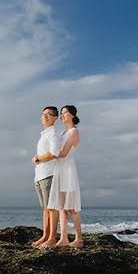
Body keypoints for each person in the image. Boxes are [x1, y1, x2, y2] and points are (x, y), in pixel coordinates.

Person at [46, 105, 83, 248]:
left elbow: (63, 153)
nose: (61, 115)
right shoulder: (62, 133)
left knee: (72, 207)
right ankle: (64, 238)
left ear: (72, 115)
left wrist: (45, 157)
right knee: (61, 206)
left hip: (68, 170)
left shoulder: (74, 132)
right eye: (60, 113)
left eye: (64, 113)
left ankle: (79, 239)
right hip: (59, 170)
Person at [32, 106, 62, 248]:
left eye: (48, 114)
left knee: (52, 208)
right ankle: (45, 235)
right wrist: (37, 159)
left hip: (50, 174)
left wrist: (38, 159)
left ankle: (52, 239)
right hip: (40, 175)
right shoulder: (44, 134)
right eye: (43, 114)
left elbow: (54, 153)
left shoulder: (54, 133)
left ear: (55, 118)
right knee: (45, 209)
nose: (45, 116)